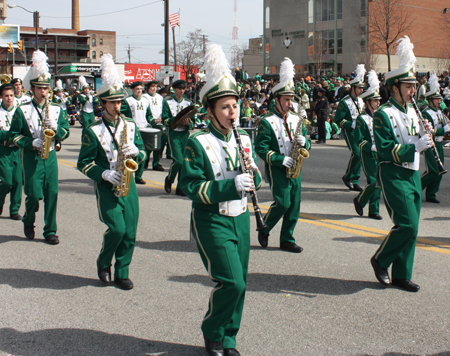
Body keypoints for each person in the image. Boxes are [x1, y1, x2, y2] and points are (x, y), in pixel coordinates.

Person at [180, 44, 262, 356]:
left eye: (235, 106)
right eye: (225, 107)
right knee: (232, 283)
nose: (233, 112)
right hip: (212, 219)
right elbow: (192, 188)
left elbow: (256, 179)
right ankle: (212, 332)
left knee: (242, 282)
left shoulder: (244, 140)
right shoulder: (197, 143)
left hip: (240, 218)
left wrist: (253, 176)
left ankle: (229, 339)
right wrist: (230, 185)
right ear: (211, 110)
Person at [77, 54, 146, 290]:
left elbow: (144, 154)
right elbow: (83, 163)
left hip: (129, 185)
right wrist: (104, 174)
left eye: (119, 102)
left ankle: (122, 271)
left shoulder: (130, 125)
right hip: (108, 185)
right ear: (103, 104)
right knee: (117, 229)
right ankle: (104, 261)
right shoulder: (93, 130)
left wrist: (137, 151)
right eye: (113, 102)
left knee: (130, 232)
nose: (118, 106)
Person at [371, 36, 433, 293]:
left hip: (412, 173)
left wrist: (425, 134)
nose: (412, 91)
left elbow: (414, 139)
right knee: (406, 224)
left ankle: (402, 275)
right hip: (394, 173)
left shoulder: (411, 112)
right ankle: (380, 259)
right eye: (408, 86)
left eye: (413, 86)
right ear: (395, 87)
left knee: (413, 228)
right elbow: (385, 149)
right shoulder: (382, 114)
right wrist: (415, 147)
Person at [9, 50, 70, 245]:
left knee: (52, 194)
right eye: (39, 88)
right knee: (34, 195)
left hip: (50, 156)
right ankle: (29, 219)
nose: (43, 91)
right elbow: (13, 135)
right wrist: (29, 142)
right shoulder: (22, 110)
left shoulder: (57, 109)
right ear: (32, 88)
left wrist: (57, 129)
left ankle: (50, 230)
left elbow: (66, 132)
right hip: (32, 157)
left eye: (46, 87)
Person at [255, 57, 311, 253]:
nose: (290, 103)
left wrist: (306, 143)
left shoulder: (297, 119)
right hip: (278, 168)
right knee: (283, 202)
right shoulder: (266, 122)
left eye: (291, 99)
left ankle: (287, 238)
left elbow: (306, 143)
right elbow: (260, 148)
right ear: (277, 100)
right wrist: (280, 160)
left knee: (294, 205)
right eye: (286, 99)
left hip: (296, 166)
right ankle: (265, 227)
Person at [353, 70, 382, 220]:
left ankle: (374, 210)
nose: (378, 103)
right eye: (375, 100)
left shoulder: (380, 116)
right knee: (372, 181)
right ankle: (359, 200)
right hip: (368, 154)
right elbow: (358, 139)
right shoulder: (362, 119)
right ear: (368, 102)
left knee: (379, 182)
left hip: (380, 153)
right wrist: (370, 146)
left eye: (379, 100)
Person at [334, 64, 365, 191]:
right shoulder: (344, 102)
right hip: (350, 130)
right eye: (359, 88)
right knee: (356, 153)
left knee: (362, 154)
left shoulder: (361, 101)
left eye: (362, 88)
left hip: (360, 130)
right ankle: (347, 177)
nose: (361, 91)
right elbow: (338, 119)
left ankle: (355, 180)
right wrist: (350, 124)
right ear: (353, 88)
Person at [421, 72, 450, 203]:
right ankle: (416, 188)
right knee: (433, 170)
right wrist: (443, 130)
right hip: (430, 143)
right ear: (431, 99)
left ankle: (431, 194)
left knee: (440, 171)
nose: (440, 101)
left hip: (439, 143)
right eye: (437, 99)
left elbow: (444, 125)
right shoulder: (426, 113)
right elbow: (429, 132)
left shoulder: (439, 111)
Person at [164, 80, 193, 196]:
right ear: (174, 89)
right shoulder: (167, 102)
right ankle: (169, 179)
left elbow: (193, 121)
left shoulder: (187, 102)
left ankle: (180, 186)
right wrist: (176, 120)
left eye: (183, 89)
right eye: (179, 88)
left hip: (184, 134)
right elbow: (165, 119)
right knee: (178, 161)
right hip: (174, 134)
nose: (181, 91)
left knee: (185, 161)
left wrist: (187, 123)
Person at [121, 81, 153, 184]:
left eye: (140, 89)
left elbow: (148, 115)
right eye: (137, 89)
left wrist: (153, 121)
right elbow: (122, 115)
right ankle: (127, 173)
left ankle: (139, 176)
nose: (139, 91)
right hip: (132, 131)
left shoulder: (146, 101)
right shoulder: (128, 101)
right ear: (133, 90)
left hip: (144, 129)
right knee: (130, 152)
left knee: (143, 153)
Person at [0, 83, 22, 220]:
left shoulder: (19, 112)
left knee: (18, 181)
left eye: (12, 95)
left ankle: (14, 209)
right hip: (3, 150)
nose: (9, 98)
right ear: (1, 97)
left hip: (17, 150)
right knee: (7, 181)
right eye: (6, 96)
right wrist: (8, 135)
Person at [142, 81, 172, 171]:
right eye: (152, 87)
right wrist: (151, 120)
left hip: (159, 123)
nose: (154, 88)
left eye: (155, 86)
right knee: (148, 145)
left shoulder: (160, 98)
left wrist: (162, 118)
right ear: (148, 88)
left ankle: (156, 163)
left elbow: (165, 109)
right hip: (148, 124)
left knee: (159, 145)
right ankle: (145, 162)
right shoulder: (144, 97)